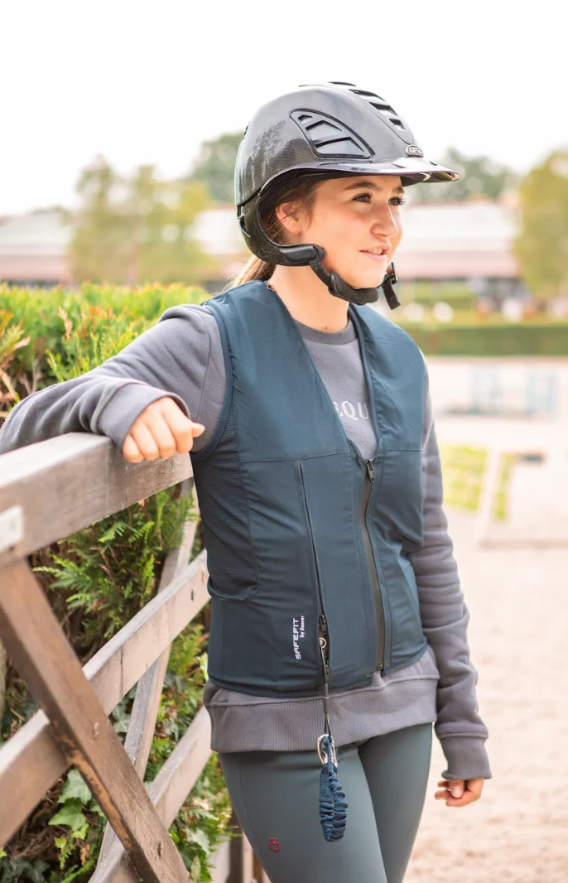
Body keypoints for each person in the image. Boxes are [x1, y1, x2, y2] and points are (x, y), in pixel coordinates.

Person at [0, 82, 492, 883]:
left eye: (395, 200)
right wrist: (125, 401)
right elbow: (29, 421)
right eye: (360, 197)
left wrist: (461, 720)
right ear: (286, 214)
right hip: (285, 724)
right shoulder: (213, 340)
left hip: (404, 707)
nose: (388, 223)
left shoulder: (400, 358)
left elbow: (426, 544)